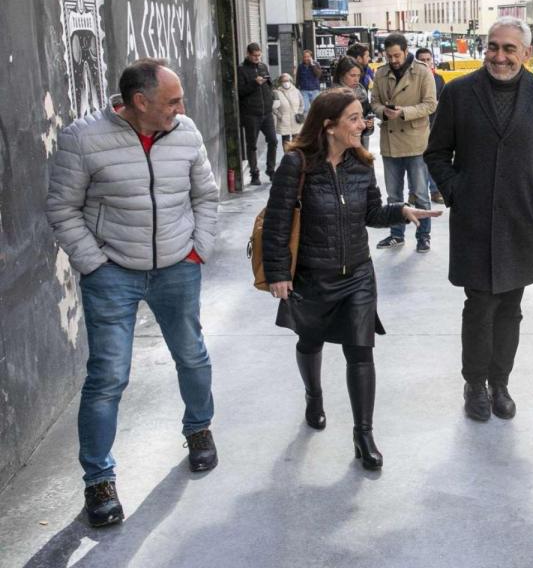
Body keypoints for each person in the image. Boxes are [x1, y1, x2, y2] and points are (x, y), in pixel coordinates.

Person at [45, 58, 219, 527]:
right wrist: (95, 265)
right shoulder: (82, 138)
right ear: (139, 102)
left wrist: (197, 249)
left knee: (192, 355)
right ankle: (98, 481)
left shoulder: (185, 133)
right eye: (172, 100)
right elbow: (62, 207)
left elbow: (204, 194)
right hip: (113, 274)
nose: (181, 108)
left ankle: (199, 429)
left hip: (178, 266)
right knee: (107, 376)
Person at [262, 88, 440, 470]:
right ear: (329, 126)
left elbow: (372, 213)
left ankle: (364, 435)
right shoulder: (296, 165)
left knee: (361, 351)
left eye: (363, 116)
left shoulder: (361, 163)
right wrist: (278, 273)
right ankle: (313, 395)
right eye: (355, 118)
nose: (364, 124)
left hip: (358, 274)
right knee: (309, 341)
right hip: (311, 276)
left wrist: (402, 211)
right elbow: (277, 223)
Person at [425, 17, 533, 422]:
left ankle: (500, 382)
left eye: (508, 49)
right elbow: (437, 153)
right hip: (475, 220)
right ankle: (474, 383)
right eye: (493, 47)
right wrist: (457, 191)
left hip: (520, 220)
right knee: (480, 304)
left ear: (526, 54)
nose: (499, 56)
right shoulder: (459, 93)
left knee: (511, 306)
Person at [371, 33, 438, 253]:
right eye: (389, 56)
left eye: (397, 55)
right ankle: (396, 234)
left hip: (416, 142)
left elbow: (430, 105)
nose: (393, 60)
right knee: (393, 195)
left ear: (406, 50)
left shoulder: (422, 71)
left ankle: (423, 236)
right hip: (390, 142)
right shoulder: (381, 73)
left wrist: (403, 112)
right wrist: (384, 111)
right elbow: (374, 103)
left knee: (420, 194)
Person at [238, 42, 277, 186]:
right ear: (248, 54)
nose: (257, 58)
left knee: (273, 140)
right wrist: (255, 83)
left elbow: (269, 84)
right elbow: (240, 91)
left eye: (259, 55)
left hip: (266, 112)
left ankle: (271, 170)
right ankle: (254, 173)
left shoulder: (263, 66)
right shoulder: (241, 69)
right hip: (251, 113)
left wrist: (271, 98)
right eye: (254, 56)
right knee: (252, 145)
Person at [415, 47, 446, 204]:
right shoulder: (413, 80)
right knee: (417, 162)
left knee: (433, 160)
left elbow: (444, 103)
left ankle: (435, 191)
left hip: (435, 125)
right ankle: (415, 192)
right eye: (422, 60)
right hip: (417, 127)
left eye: (428, 59)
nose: (426, 63)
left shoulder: (439, 79)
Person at [334, 56, 375, 150]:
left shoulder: (361, 92)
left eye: (358, 75)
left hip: (360, 144)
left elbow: (368, 112)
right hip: (340, 146)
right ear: (342, 75)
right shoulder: (333, 95)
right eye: (352, 75)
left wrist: (368, 124)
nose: (356, 79)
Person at [273, 73, 304, 147]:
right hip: (284, 120)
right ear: (280, 82)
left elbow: (302, 104)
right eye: (284, 81)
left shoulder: (296, 91)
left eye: (287, 80)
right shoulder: (277, 92)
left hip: (295, 119)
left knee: (296, 140)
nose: (286, 82)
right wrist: (280, 115)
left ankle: (295, 155)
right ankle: (287, 156)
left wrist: (299, 113)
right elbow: (274, 107)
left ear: (290, 81)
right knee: (285, 140)